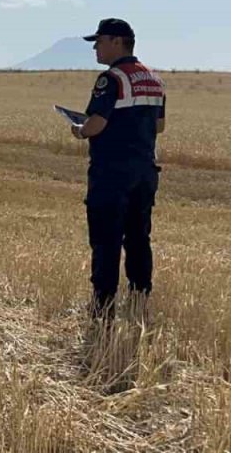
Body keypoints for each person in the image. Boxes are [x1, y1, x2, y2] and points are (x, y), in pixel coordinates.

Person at [70, 18, 166, 321]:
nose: (95, 49)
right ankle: (139, 299)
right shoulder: (153, 78)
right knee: (138, 238)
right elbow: (160, 126)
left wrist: (80, 131)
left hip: (112, 173)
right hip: (145, 171)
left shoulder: (111, 78)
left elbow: (96, 124)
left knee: (106, 239)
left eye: (99, 42)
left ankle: (103, 307)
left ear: (116, 41)